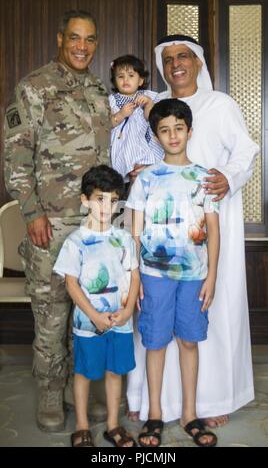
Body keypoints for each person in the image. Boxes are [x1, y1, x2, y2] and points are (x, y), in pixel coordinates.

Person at [127, 34, 259, 428]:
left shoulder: (221, 105)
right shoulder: (155, 107)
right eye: (168, 60)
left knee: (206, 313)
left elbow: (246, 152)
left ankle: (212, 398)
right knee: (154, 319)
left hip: (210, 225)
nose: (176, 64)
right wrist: (140, 171)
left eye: (184, 56)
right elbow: (144, 155)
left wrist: (229, 178)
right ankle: (150, 401)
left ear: (199, 63)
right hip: (161, 237)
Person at [4, 9, 110, 432]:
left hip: (95, 225)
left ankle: (81, 388)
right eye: (74, 38)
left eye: (89, 39)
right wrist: (31, 213)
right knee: (51, 314)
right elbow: (16, 156)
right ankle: (50, 393)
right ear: (60, 39)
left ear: (95, 44)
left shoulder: (101, 90)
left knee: (89, 310)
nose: (82, 46)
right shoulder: (34, 87)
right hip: (50, 223)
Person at [126, 98, 220, 447]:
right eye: (164, 130)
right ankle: (154, 414)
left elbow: (213, 228)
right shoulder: (147, 179)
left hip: (194, 275)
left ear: (189, 131)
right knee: (155, 342)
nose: (173, 135)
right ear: (156, 136)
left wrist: (212, 275)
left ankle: (190, 413)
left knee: (189, 341)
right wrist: (134, 277)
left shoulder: (204, 177)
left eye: (179, 128)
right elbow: (134, 232)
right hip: (154, 274)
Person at [53, 165, 140, 447]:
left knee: (115, 372)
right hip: (89, 324)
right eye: (100, 199)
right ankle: (81, 426)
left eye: (113, 200)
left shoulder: (124, 238)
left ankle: (114, 425)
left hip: (120, 321)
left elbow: (134, 275)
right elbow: (71, 284)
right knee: (85, 372)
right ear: (85, 200)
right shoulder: (75, 242)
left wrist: (127, 312)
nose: (107, 206)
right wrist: (93, 316)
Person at [109, 54, 163, 181]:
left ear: (140, 80)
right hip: (123, 144)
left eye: (131, 76)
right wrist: (121, 114)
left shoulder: (149, 96)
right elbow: (109, 123)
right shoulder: (112, 100)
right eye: (120, 76)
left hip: (143, 142)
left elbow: (152, 120)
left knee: (144, 175)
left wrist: (149, 104)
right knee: (130, 176)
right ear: (115, 81)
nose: (125, 80)